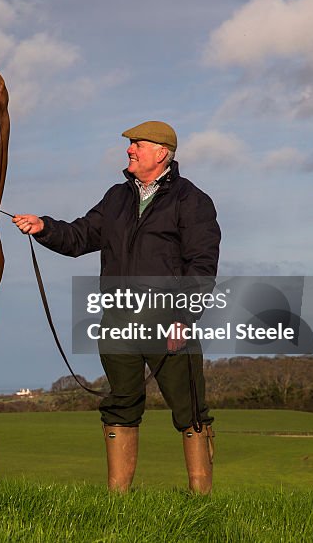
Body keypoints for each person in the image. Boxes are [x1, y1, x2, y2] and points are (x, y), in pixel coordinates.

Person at [12, 120, 220, 494]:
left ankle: (201, 499)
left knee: (190, 410)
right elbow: (79, 236)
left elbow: (202, 267)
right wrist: (44, 227)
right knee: (120, 406)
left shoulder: (194, 202)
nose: (129, 150)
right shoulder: (115, 198)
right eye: (130, 145)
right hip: (118, 321)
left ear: (161, 153)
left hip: (169, 322)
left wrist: (184, 318)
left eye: (137, 144)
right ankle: (118, 501)